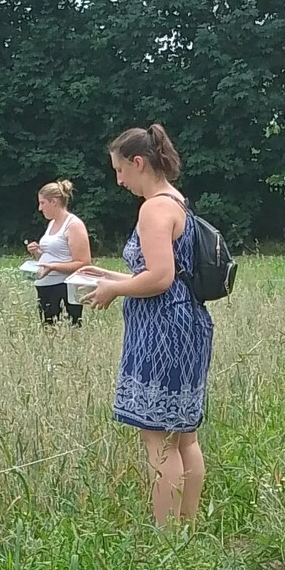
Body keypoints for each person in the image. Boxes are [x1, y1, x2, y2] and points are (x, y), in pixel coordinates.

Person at [83, 124, 214, 527]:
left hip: (161, 333)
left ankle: (165, 539)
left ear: (139, 163)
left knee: (159, 444)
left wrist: (113, 291)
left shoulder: (154, 208)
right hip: (187, 325)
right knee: (185, 436)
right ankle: (187, 527)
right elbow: (165, 271)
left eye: (121, 171)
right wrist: (109, 275)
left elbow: (160, 278)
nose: (119, 181)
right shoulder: (178, 203)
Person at [26, 180, 92, 326]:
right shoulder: (52, 223)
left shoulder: (73, 225)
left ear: (54, 202)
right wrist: (37, 252)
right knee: (48, 331)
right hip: (45, 286)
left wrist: (53, 267)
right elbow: (51, 255)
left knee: (67, 329)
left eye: (43, 203)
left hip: (64, 287)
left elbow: (83, 262)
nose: (40, 208)